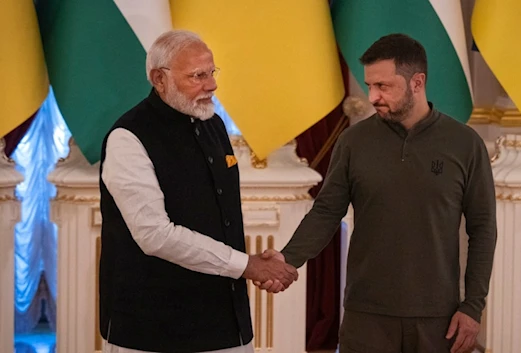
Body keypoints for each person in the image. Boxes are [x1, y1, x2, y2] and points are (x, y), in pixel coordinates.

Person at [258, 33, 497, 353]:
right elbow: (327, 212)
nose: (373, 96)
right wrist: (287, 259)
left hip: (437, 317)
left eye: (383, 86)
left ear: (417, 82)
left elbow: (483, 228)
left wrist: (473, 306)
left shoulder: (465, 144)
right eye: (370, 85)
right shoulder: (353, 142)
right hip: (365, 314)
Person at [98, 30, 297, 353]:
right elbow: (155, 235)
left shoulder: (213, 124)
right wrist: (248, 265)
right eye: (197, 76)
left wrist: (257, 264)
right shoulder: (128, 138)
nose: (212, 85)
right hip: (151, 331)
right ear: (159, 79)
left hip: (225, 323)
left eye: (212, 72)